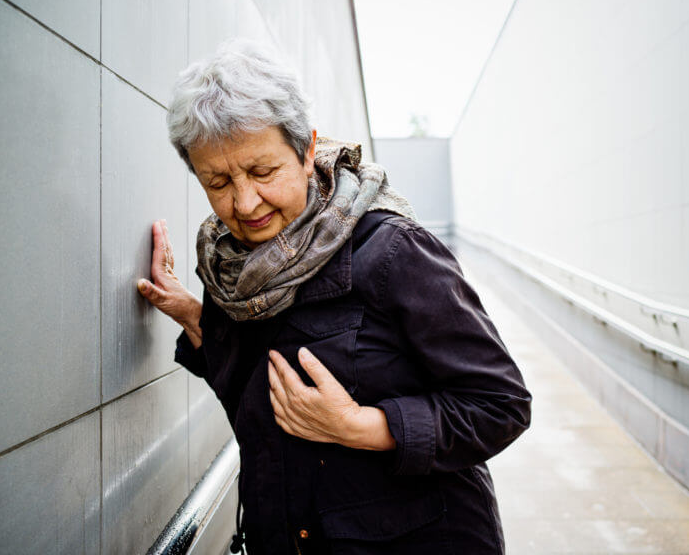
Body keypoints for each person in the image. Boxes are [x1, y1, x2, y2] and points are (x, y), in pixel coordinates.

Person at [138, 39, 532, 555]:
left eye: (262, 171)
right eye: (218, 182)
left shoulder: (394, 253)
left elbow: (501, 404)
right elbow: (259, 398)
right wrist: (195, 313)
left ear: (306, 151)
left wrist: (363, 426)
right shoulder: (235, 277)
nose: (244, 201)